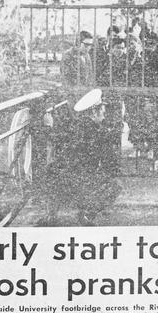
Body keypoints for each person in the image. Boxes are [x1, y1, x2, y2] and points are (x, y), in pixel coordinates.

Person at [40, 89, 121, 225]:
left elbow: (57, 138)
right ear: (94, 112)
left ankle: (52, 216)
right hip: (77, 181)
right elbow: (110, 163)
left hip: (62, 177)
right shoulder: (96, 131)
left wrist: (48, 126)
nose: (104, 114)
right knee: (115, 186)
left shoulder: (78, 125)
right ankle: (85, 216)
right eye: (102, 110)